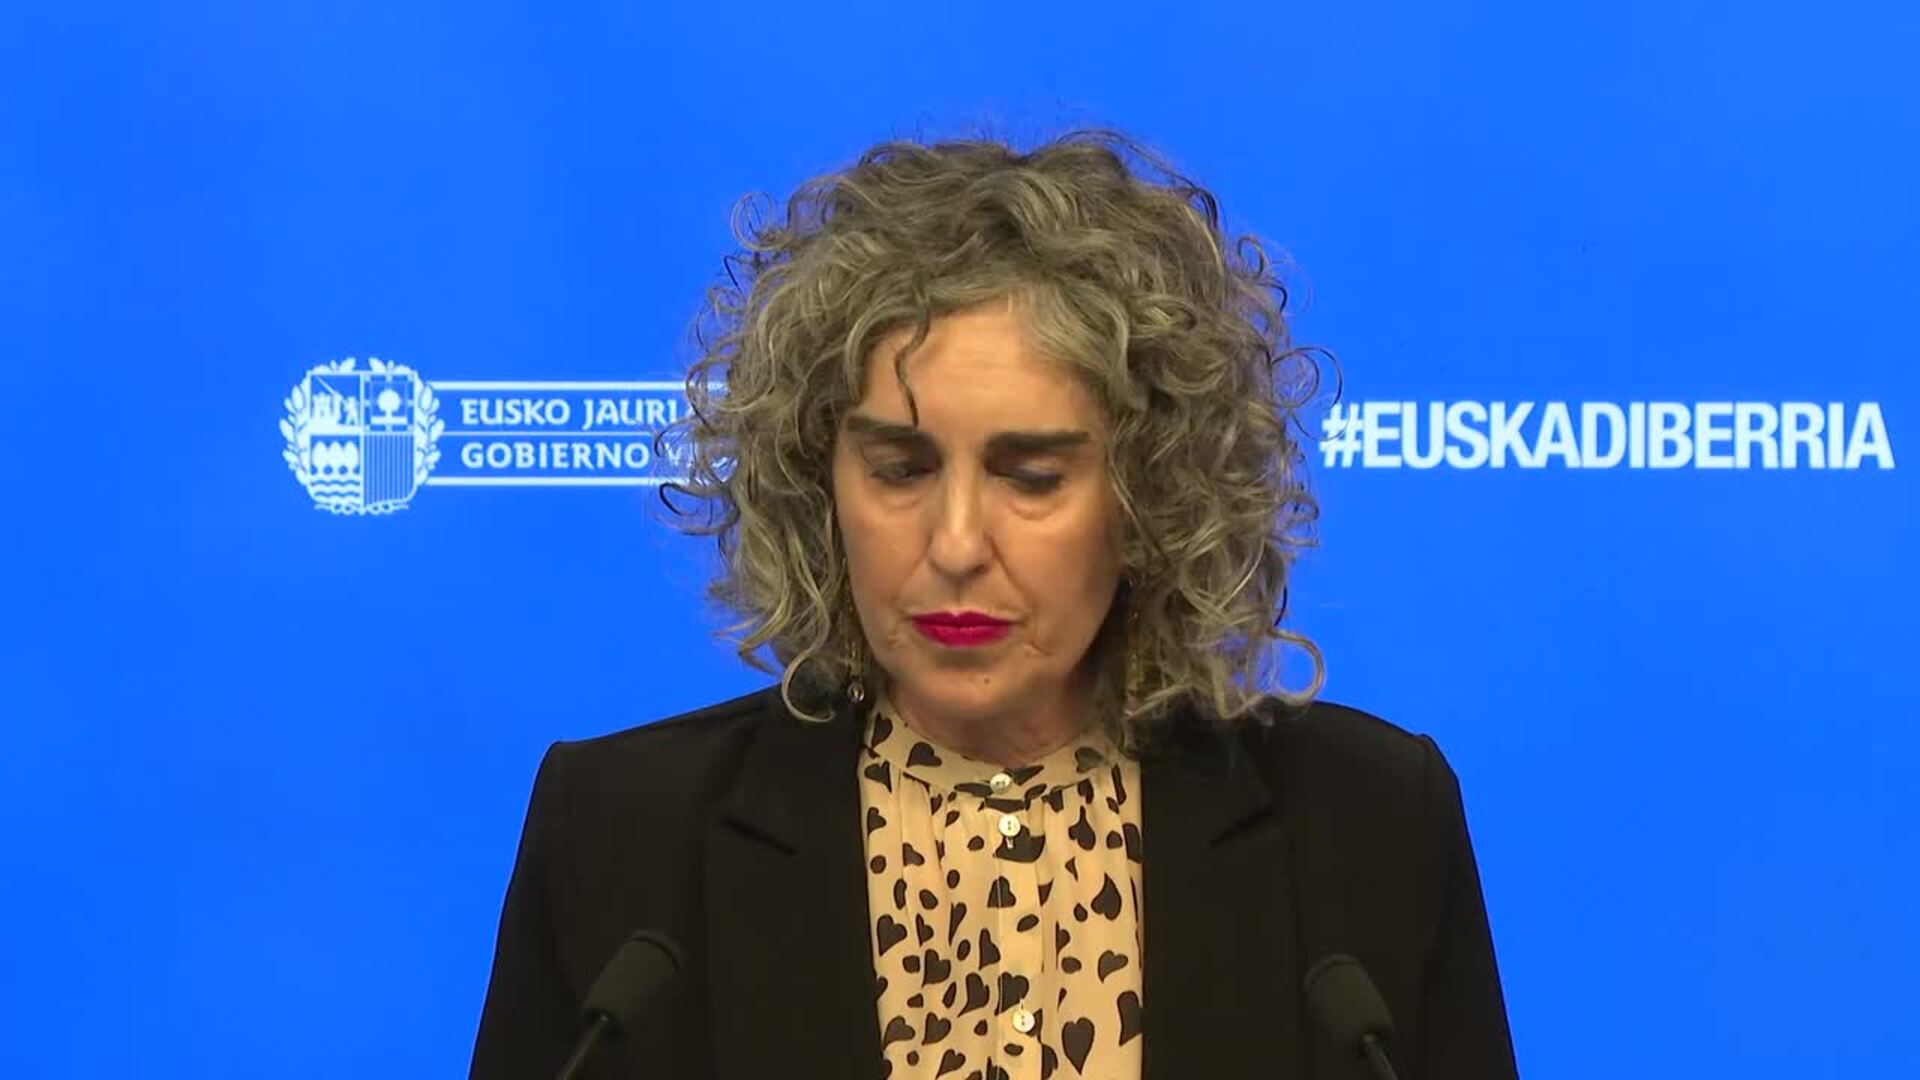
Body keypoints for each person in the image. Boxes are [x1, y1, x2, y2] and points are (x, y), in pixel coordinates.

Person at [468, 127, 1519, 1080]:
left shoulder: (1370, 827)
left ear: (1152, 495)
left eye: (1031, 477)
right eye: (900, 469)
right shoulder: (625, 837)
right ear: (817, 482)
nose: (958, 545)